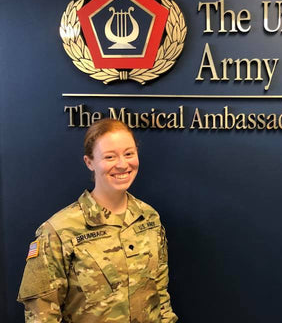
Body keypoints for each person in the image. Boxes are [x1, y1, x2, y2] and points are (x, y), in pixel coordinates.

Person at [17, 118, 178, 323]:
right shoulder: (58, 231)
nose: (122, 164)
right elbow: (41, 316)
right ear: (89, 162)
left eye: (129, 154)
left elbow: (161, 299)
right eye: (109, 157)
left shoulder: (149, 218)